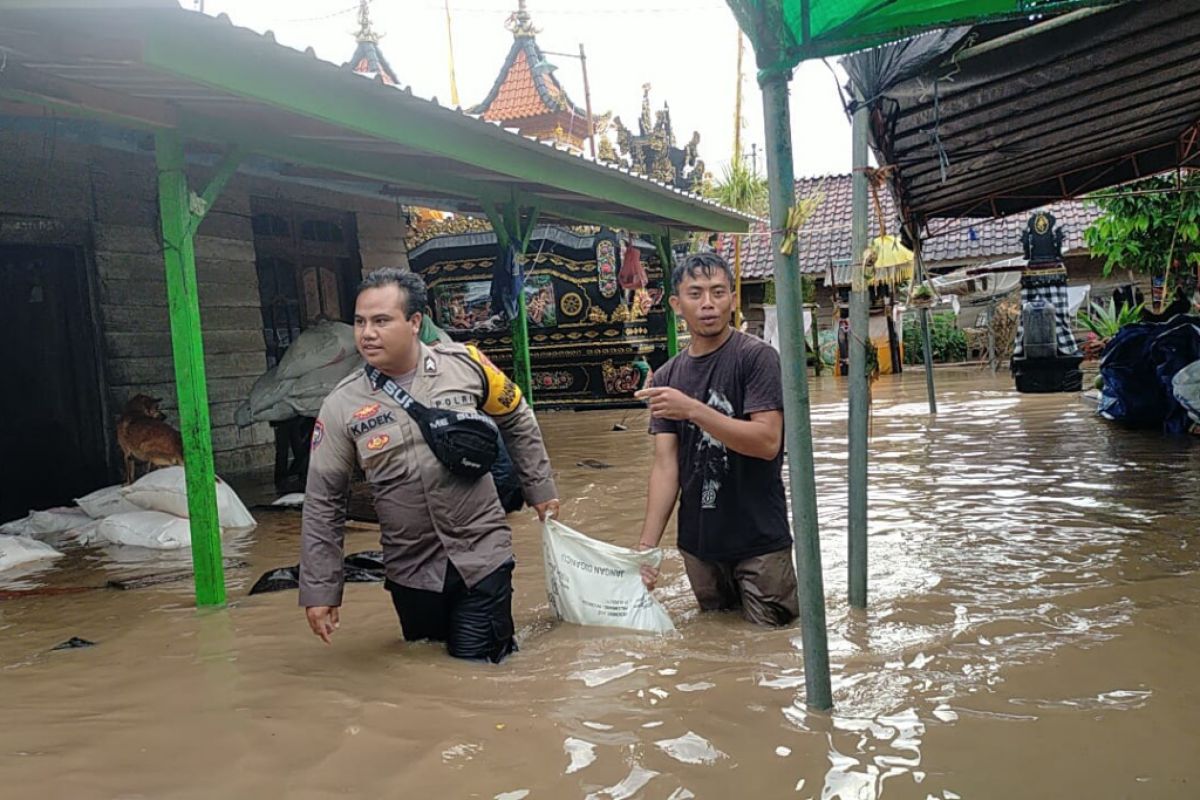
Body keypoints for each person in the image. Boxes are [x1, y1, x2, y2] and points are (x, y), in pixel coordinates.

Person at [300, 269, 559, 662]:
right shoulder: (342, 404)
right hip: (411, 570)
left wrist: (540, 491)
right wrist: (321, 591)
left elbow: (517, 417)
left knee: (477, 669)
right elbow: (323, 501)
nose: (367, 333)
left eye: (381, 321)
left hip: (482, 555)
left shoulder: (467, 366)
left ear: (415, 322)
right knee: (426, 664)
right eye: (360, 322)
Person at [633, 252, 798, 627]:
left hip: (760, 541)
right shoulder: (665, 377)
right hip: (699, 545)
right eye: (696, 294)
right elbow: (665, 467)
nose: (708, 304)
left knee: (771, 646)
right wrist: (646, 549)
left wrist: (692, 409)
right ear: (677, 304)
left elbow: (767, 441)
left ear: (733, 299)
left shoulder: (756, 359)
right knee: (716, 642)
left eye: (718, 292)